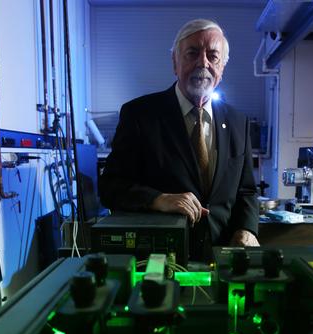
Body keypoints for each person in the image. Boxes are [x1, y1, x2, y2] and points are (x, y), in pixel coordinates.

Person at [99, 18, 259, 260]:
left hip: (222, 258)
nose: (202, 63)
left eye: (213, 56)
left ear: (222, 67)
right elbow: (111, 186)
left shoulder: (238, 122)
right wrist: (158, 199)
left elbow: (246, 190)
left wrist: (246, 229)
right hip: (160, 260)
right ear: (175, 62)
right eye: (192, 53)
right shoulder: (141, 115)